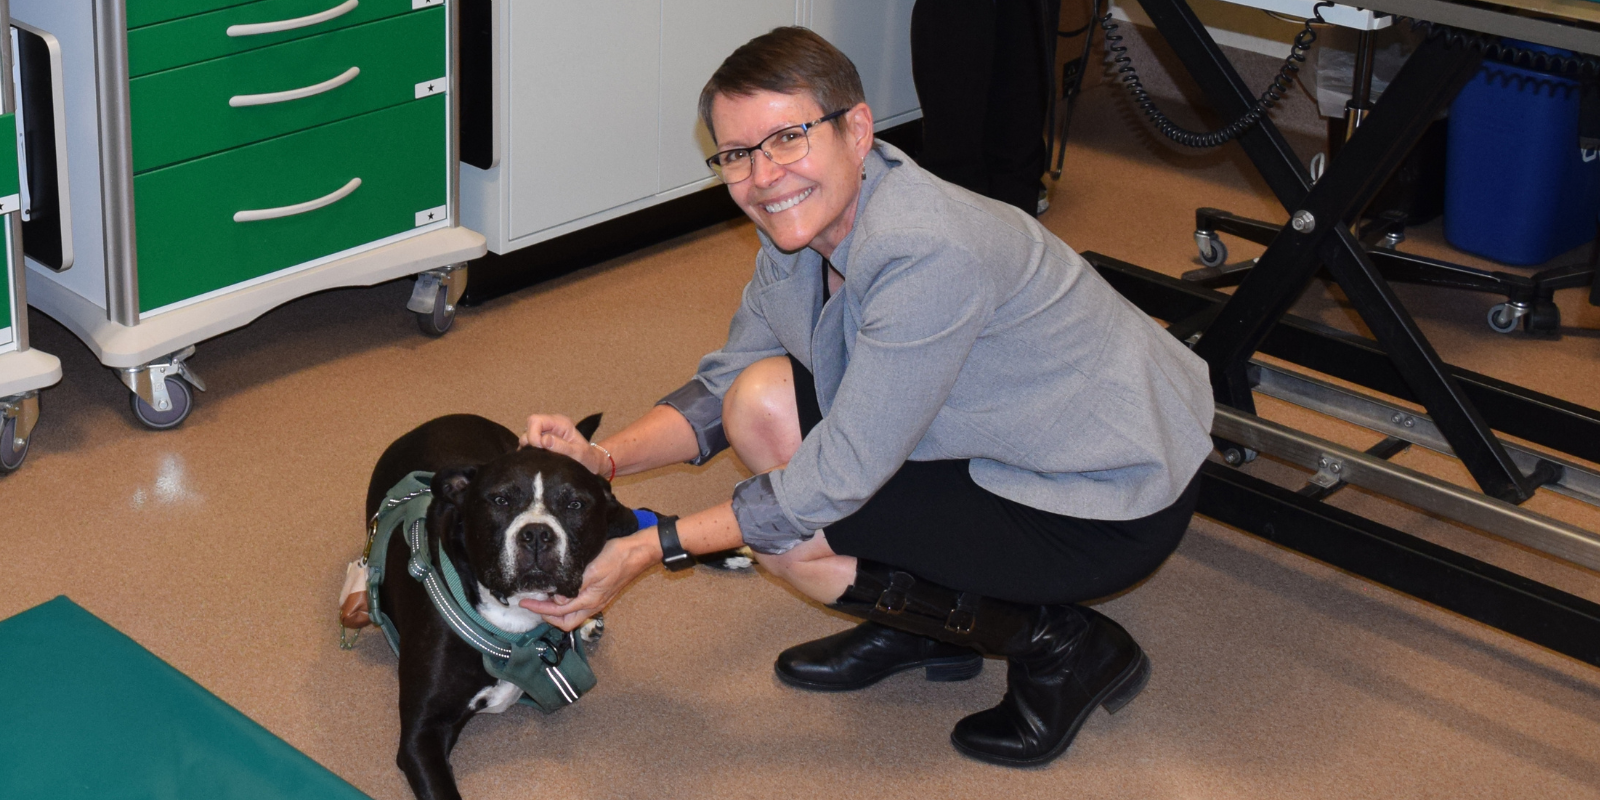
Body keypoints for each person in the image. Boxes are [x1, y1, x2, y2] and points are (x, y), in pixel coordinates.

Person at [519, 26, 1214, 767]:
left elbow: (835, 477)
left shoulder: (926, 248)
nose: (763, 177)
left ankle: (1062, 645)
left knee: (790, 539)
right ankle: (929, 628)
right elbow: (725, 383)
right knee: (756, 401)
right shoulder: (799, 237)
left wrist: (649, 549)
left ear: (855, 129)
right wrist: (602, 459)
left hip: (1101, 498)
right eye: (736, 156)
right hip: (996, 436)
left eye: (787, 139)